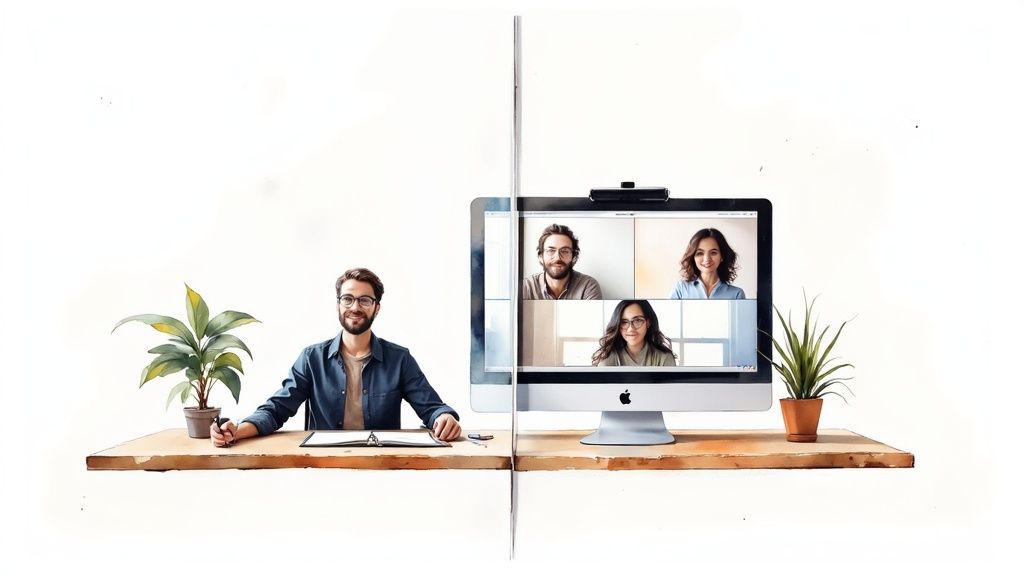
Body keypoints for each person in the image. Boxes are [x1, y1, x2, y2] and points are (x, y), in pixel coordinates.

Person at [211, 268, 461, 446]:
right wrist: (236, 431)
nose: (355, 307)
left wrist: (444, 417)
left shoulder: (400, 359)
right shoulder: (312, 359)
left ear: (377, 308)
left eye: (365, 300)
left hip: (382, 465)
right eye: (348, 299)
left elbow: (432, 407)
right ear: (338, 305)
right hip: (323, 466)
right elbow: (277, 409)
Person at [521, 223, 603, 300]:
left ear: (574, 256)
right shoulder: (526, 286)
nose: (557, 257)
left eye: (565, 251)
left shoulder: (587, 286)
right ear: (541, 257)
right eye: (551, 250)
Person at [592, 300, 677, 367]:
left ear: (648, 323)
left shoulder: (664, 357)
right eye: (624, 322)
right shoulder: (607, 360)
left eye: (637, 321)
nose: (631, 329)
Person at [669, 228, 746, 299]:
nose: (707, 259)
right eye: (700, 253)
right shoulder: (681, 289)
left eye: (713, 253)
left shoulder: (736, 294)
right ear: (693, 257)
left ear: (722, 256)